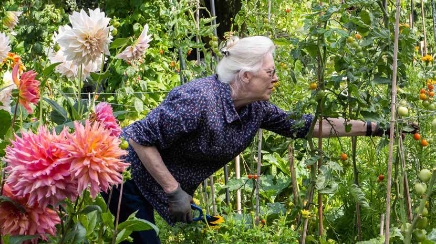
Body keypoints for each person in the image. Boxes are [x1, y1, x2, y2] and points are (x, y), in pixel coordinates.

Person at [104, 36, 400, 244]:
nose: (275, 79)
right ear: (245, 76)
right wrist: (174, 191)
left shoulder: (255, 109)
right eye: (270, 72)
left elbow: (306, 126)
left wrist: (375, 127)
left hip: (154, 182)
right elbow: (140, 138)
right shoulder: (198, 100)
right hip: (125, 175)